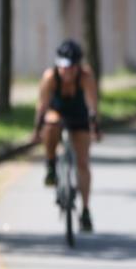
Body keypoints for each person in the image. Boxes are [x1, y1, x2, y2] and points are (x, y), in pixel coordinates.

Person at [32, 40, 101, 232]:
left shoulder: (86, 77)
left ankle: (85, 210)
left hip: (78, 115)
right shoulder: (50, 77)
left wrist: (95, 128)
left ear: (78, 66)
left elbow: (93, 106)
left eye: (71, 67)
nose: (67, 72)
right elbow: (42, 106)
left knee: (83, 163)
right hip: (57, 112)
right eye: (63, 67)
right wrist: (37, 131)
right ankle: (51, 164)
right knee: (51, 124)